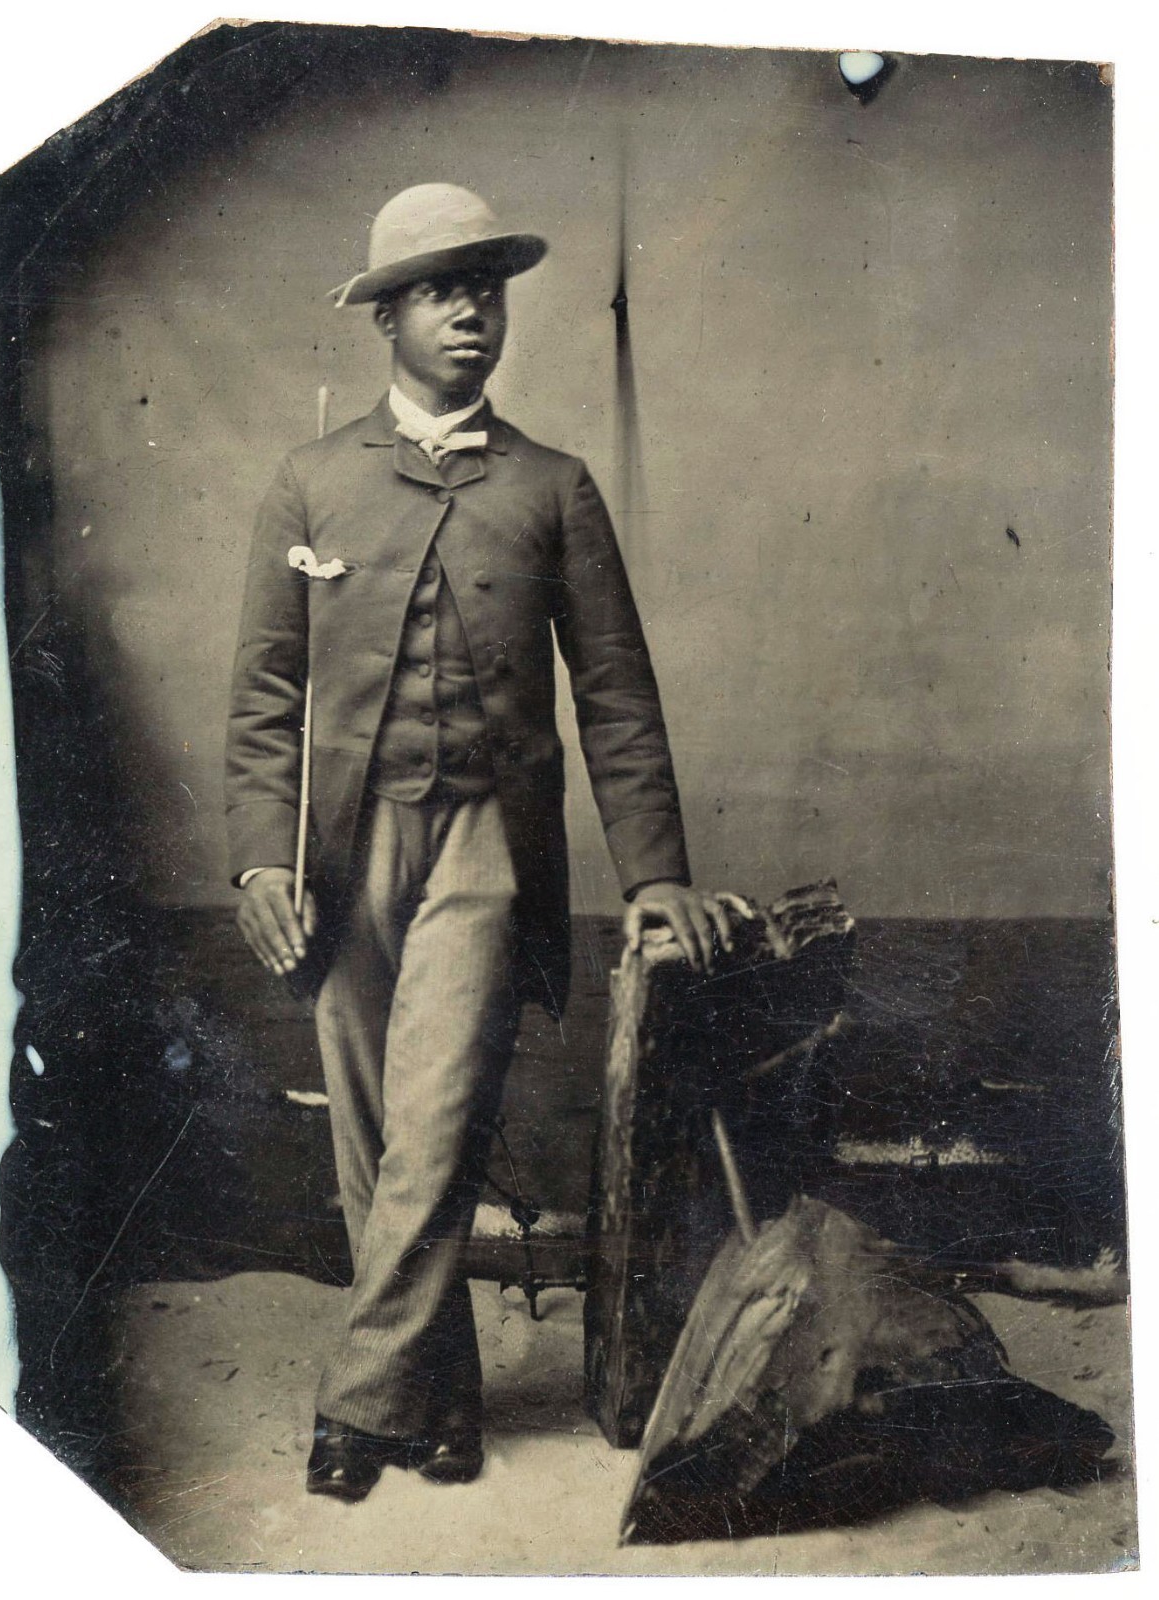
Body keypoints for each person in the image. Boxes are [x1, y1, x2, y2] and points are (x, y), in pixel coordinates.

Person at [225, 183, 741, 1502]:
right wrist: (254, 863)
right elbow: (265, 702)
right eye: (443, 290)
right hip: (337, 855)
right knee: (376, 1142)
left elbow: (617, 696)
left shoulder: (555, 489)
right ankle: (441, 1397)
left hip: (483, 852)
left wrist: (657, 871)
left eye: (488, 287)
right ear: (385, 315)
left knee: (439, 1125)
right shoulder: (310, 482)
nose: (472, 312)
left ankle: (356, 1408)